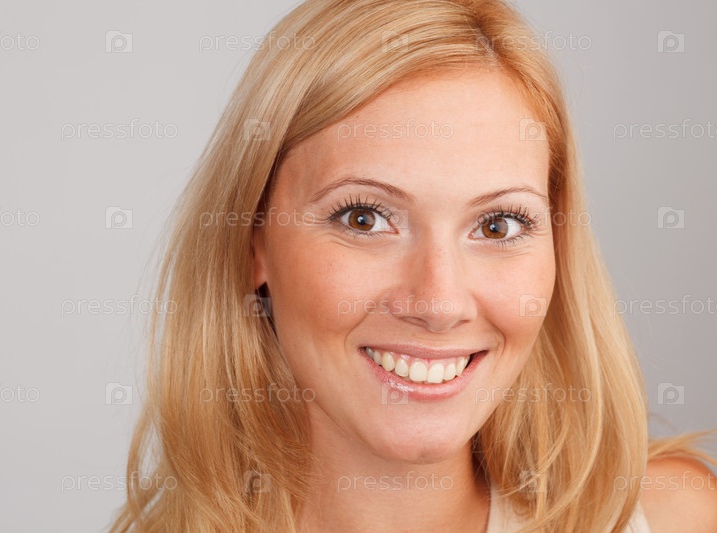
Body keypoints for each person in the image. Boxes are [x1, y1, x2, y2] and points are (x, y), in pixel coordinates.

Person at [110, 0, 717, 531]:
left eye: (498, 225)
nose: (439, 303)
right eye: (364, 219)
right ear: (254, 243)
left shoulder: (669, 518)